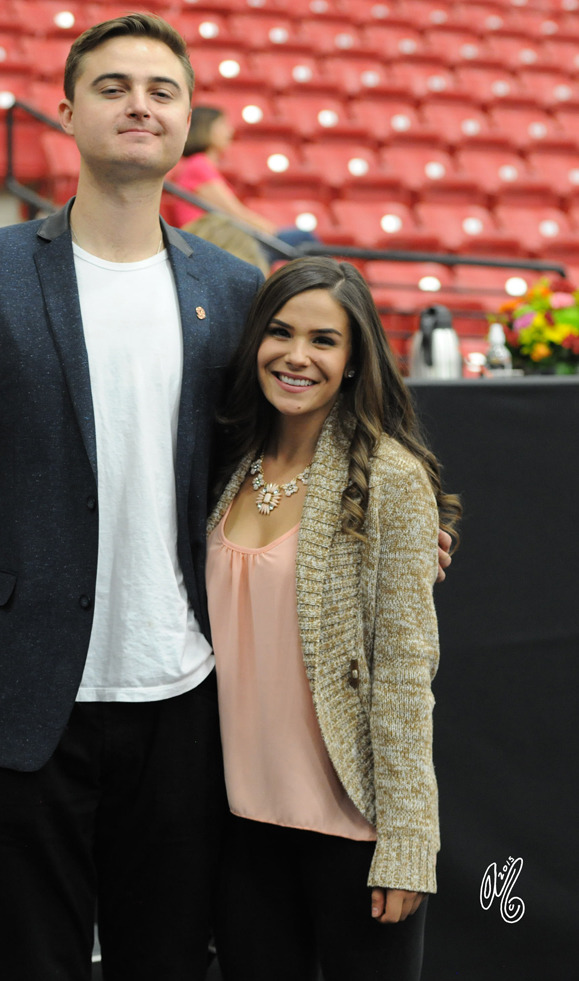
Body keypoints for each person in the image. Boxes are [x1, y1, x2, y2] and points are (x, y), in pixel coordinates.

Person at [0, 14, 265, 981]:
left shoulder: (233, 289)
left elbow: (274, 465)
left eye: (161, 90)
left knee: (169, 961)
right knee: (35, 964)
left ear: (186, 119)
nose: (139, 104)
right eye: (112, 87)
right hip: (22, 698)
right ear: (65, 112)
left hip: (185, 694)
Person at [205, 256, 461, 981]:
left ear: (353, 360)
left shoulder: (390, 477)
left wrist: (407, 843)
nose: (296, 356)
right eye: (280, 332)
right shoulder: (226, 462)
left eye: (323, 340)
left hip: (352, 827)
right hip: (237, 825)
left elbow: (406, 673)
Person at [169, 105, 319, 256]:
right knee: (303, 239)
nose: (229, 131)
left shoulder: (200, 165)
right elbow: (234, 212)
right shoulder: (198, 165)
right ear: (207, 129)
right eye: (223, 125)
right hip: (215, 241)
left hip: (224, 238)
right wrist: (272, 232)